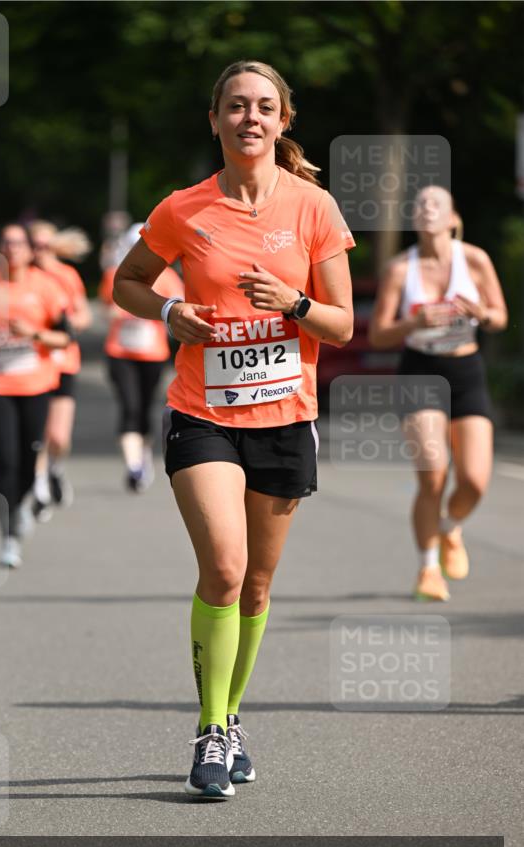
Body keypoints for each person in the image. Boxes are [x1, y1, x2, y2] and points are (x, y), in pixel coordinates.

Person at [113, 60, 355, 797]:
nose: (250, 118)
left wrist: (292, 302)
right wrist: (165, 312)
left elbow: (342, 325)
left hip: (284, 417)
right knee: (222, 566)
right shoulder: (182, 209)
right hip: (203, 412)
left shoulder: (313, 207)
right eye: (235, 106)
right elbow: (126, 281)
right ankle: (210, 732)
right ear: (214, 120)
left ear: (283, 122)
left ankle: (231, 713)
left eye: (264, 107)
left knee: (254, 584)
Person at [368, 186, 508, 601]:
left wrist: (479, 313)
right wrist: (415, 323)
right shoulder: (400, 269)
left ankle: (449, 529)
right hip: (420, 371)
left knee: (475, 481)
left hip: (466, 370)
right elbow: (378, 334)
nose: (427, 209)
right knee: (433, 473)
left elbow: (500, 317)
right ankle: (429, 569)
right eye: (420, 205)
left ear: (452, 218)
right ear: (414, 218)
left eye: (437, 204)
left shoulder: (475, 260)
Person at [0, 223, 70, 568]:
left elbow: (65, 338)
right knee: (6, 460)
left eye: (18, 243)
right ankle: (8, 535)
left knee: (28, 460)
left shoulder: (46, 286)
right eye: (5, 243)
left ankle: (21, 506)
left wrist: (35, 333)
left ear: (28, 250)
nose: (11, 249)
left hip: (36, 386)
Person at [100, 223, 184, 491]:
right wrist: (119, 313)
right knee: (129, 406)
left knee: (145, 407)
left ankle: (141, 455)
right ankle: (133, 467)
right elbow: (106, 308)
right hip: (120, 352)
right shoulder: (116, 274)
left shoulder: (168, 277)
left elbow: (180, 308)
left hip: (153, 354)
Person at [29, 221, 92, 517]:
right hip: (32, 364)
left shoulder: (66, 275)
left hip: (64, 360)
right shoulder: (22, 276)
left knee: (59, 437)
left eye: (44, 245)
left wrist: (66, 325)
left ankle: (55, 468)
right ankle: (38, 488)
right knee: (38, 433)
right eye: (34, 245)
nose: (39, 251)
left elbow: (83, 315)